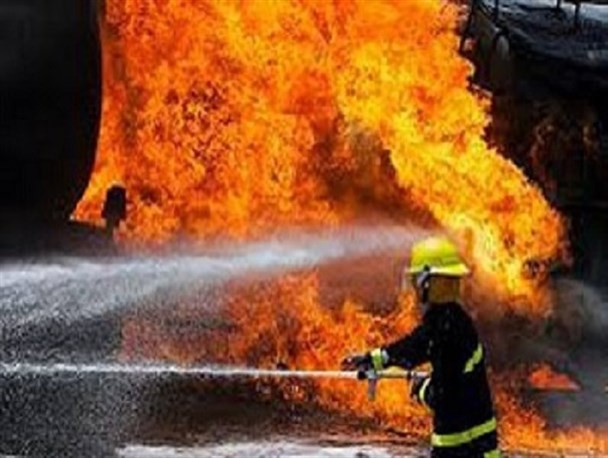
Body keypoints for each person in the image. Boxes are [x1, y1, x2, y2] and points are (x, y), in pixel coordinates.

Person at [342, 236, 500, 458]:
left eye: (417, 279)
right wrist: (376, 358)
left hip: (465, 449)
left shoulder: (448, 329)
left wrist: (421, 389)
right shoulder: (449, 318)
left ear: (428, 281)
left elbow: (444, 395)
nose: (415, 286)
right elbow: (416, 345)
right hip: (468, 445)